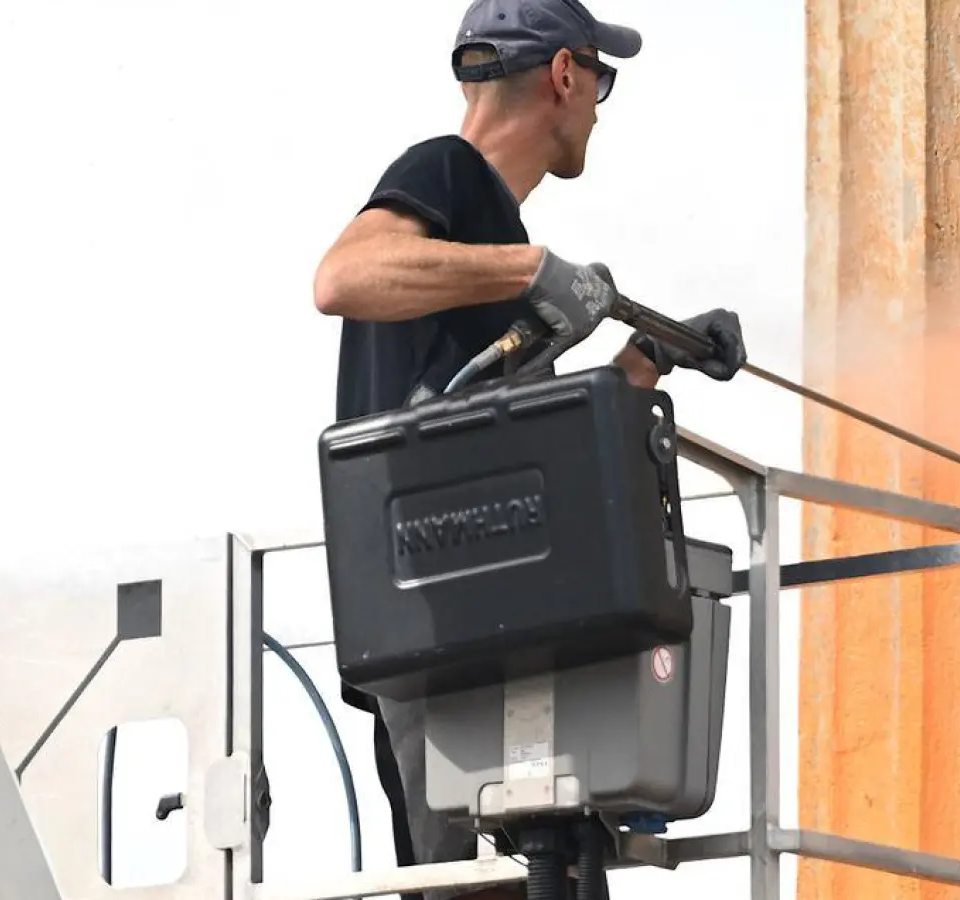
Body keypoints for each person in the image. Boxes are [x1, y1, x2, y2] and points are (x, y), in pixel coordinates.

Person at [311, 1, 747, 897]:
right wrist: (528, 272)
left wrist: (648, 360)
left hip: (501, 631)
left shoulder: (490, 235)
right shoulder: (448, 175)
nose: (598, 106)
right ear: (563, 76)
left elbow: (507, 426)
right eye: (601, 82)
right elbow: (342, 276)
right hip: (432, 636)